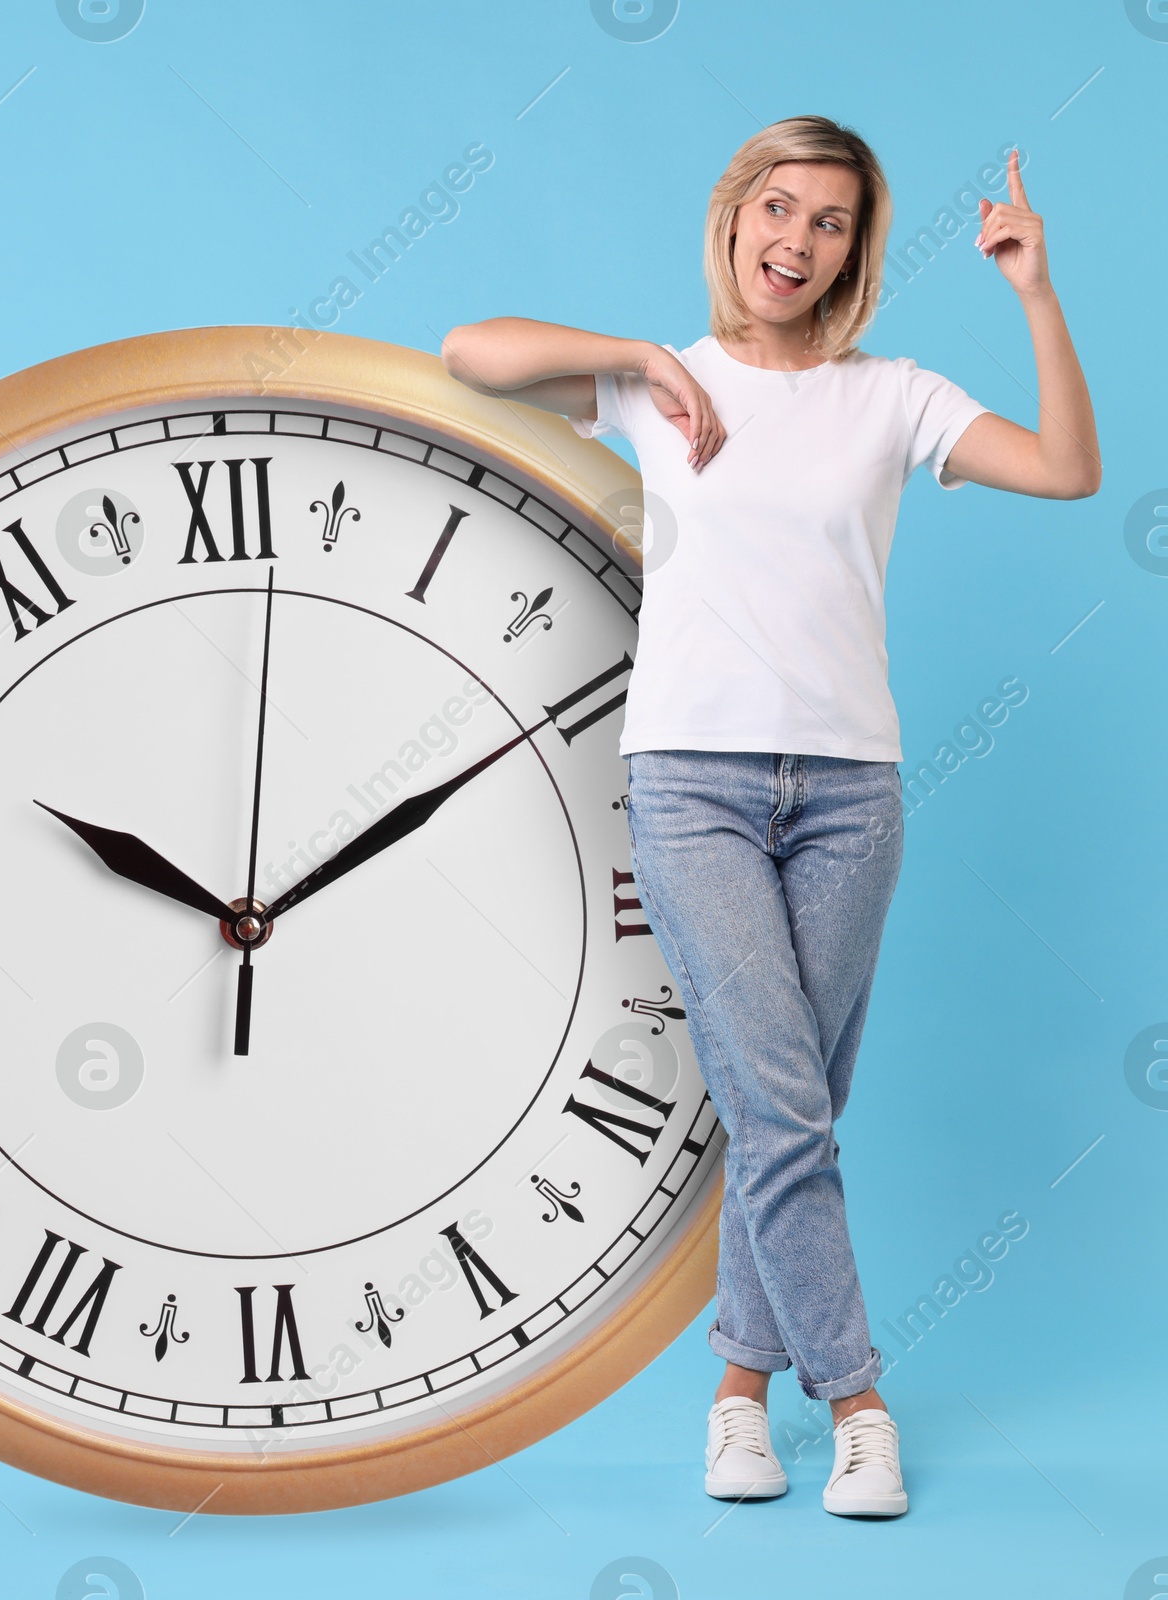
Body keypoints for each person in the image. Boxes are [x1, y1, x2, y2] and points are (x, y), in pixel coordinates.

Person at [441, 115, 1097, 1518]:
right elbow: (468, 351)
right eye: (778, 210)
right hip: (692, 782)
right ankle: (859, 1401)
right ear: (736, 215)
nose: (797, 242)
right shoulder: (648, 391)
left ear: (857, 252)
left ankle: (738, 1398)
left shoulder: (895, 395)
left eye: (832, 223)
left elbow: (1067, 469)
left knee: (788, 1110)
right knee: (787, 1108)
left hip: (853, 792)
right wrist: (639, 358)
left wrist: (1035, 291)